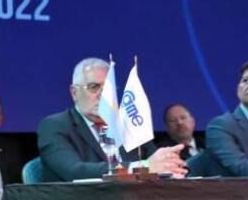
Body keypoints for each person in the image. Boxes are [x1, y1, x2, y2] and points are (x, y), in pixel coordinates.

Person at [37, 57, 186, 181]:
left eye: (108, 87)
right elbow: (75, 171)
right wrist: (144, 166)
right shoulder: (54, 126)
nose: (103, 95)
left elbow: (154, 159)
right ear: (74, 92)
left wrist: (169, 163)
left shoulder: (127, 125)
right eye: (94, 87)